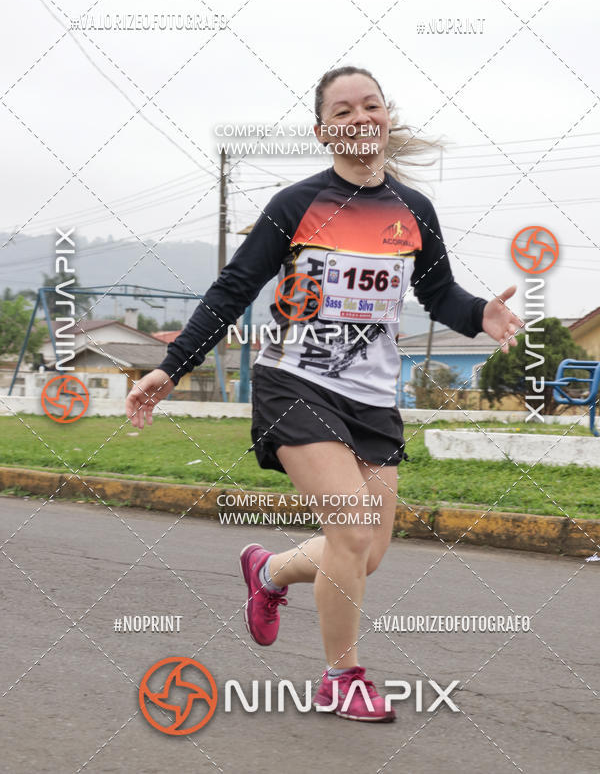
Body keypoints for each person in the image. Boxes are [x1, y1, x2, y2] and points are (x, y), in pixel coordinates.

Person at [125, 65, 522, 723]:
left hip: (372, 398)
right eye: (343, 111)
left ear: (386, 118)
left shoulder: (413, 211)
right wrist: (172, 367)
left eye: (371, 105)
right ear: (323, 132)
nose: (360, 117)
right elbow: (233, 290)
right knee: (352, 528)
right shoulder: (296, 206)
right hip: (295, 383)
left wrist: (482, 314)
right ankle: (341, 678)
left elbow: (439, 294)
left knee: (367, 551)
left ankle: (269, 573)